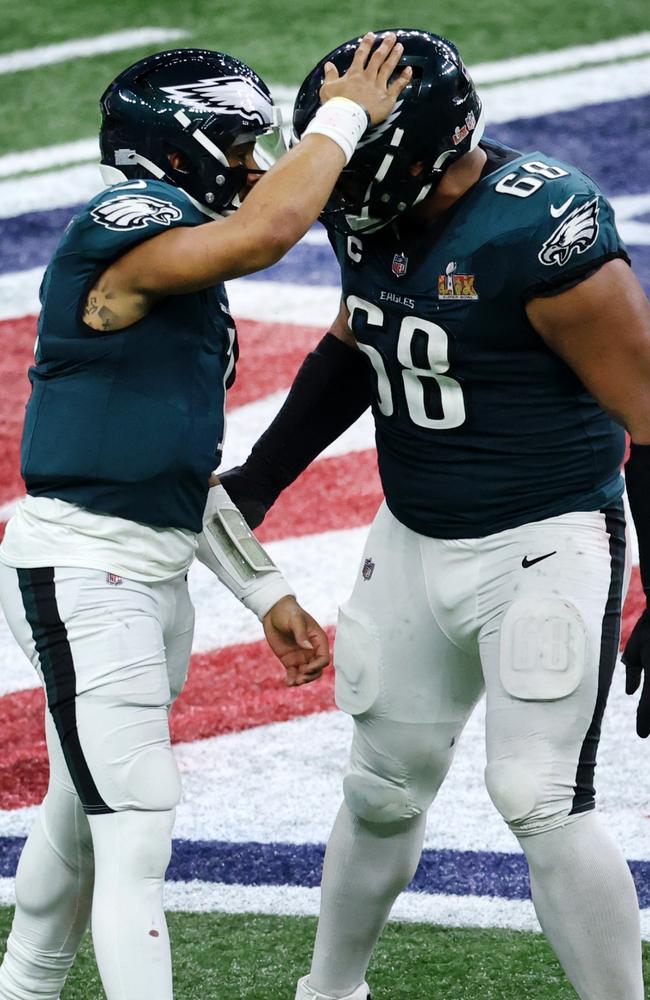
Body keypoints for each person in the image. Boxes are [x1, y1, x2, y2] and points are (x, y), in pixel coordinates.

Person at [220, 28, 650, 1000]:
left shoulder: (538, 232)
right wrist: (259, 478)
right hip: (412, 532)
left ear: (424, 147)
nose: (340, 188)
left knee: (538, 798)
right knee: (378, 786)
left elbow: (648, 414)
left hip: (543, 540)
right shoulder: (374, 209)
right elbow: (355, 333)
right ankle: (327, 991)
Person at [0, 37, 411, 1000]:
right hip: (85, 570)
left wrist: (261, 588)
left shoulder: (190, 281)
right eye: (236, 142)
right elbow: (268, 231)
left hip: (147, 568)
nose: (254, 165)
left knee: (81, 812)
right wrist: (341, 121)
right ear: (178, 143)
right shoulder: (124, 218)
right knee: (136, 824)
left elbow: (177, 473)